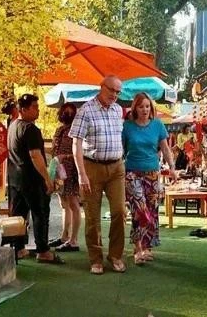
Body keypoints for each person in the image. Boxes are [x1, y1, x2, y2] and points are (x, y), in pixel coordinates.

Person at [69, 75, 126, 275]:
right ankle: (96, 259)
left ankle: (116, 255)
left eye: (118, 92)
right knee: (93, 216)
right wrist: (81, 174)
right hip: (92, 167)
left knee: (120, 212)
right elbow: (76, 144)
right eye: (111, 90)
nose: (115, 95)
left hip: (117, 167)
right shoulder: (85, 111)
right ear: (101, 87)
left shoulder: (118, 110)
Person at [7, 93, 64, 264]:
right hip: (31, 178)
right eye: (34, 107)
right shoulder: (30, 129)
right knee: (40, 213)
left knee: (18, 215)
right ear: (23, 109)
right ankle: (43, 250)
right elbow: (35, 156)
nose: (38, 110)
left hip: (15, 178)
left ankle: (18, 248)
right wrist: (47, 178)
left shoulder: (13, 126)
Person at [122, 92, 176, 265]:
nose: (144, 109)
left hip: (152, 173)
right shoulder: (127, 127)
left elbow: (166, 149)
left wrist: (172, 168)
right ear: (135, 108)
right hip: (132, 172)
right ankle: (137, 249)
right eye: (141, 106)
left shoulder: (157, 125)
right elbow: (121, 151)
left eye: (147, 106)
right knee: (140, 210)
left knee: (151, 210)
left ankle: (147, 247)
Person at [48, 103, 81, 252]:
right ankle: (64, 236)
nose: (67, 114)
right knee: (64, 204)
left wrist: (65, 156)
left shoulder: (76, 131)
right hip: (59, 170)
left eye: (70, 112)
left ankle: (73, 240)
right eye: (65, 112)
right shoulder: (59, 129)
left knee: (74, 204)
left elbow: (79, 152)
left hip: (71, 171)